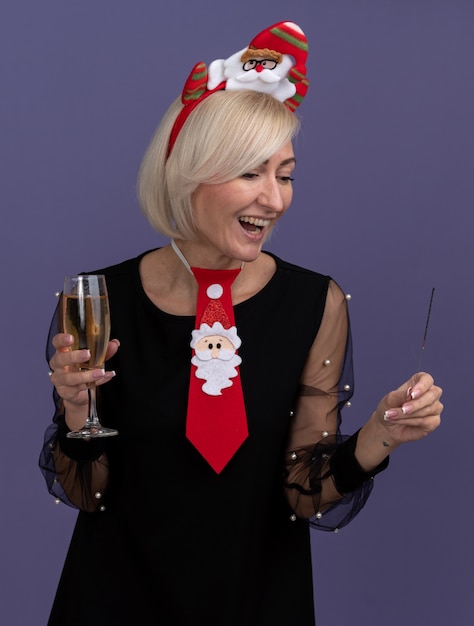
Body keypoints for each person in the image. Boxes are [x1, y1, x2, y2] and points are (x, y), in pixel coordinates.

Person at [40, 21, 443, 626]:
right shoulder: (99, 298)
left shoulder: (316, 303)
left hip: (258, 600)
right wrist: (76, 412)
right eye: (250, 174)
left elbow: (304, 490)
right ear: (191, 173)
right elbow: (85, 492)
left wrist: (381, 434)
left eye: (285, 176)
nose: (275, 201)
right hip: (113, 599)